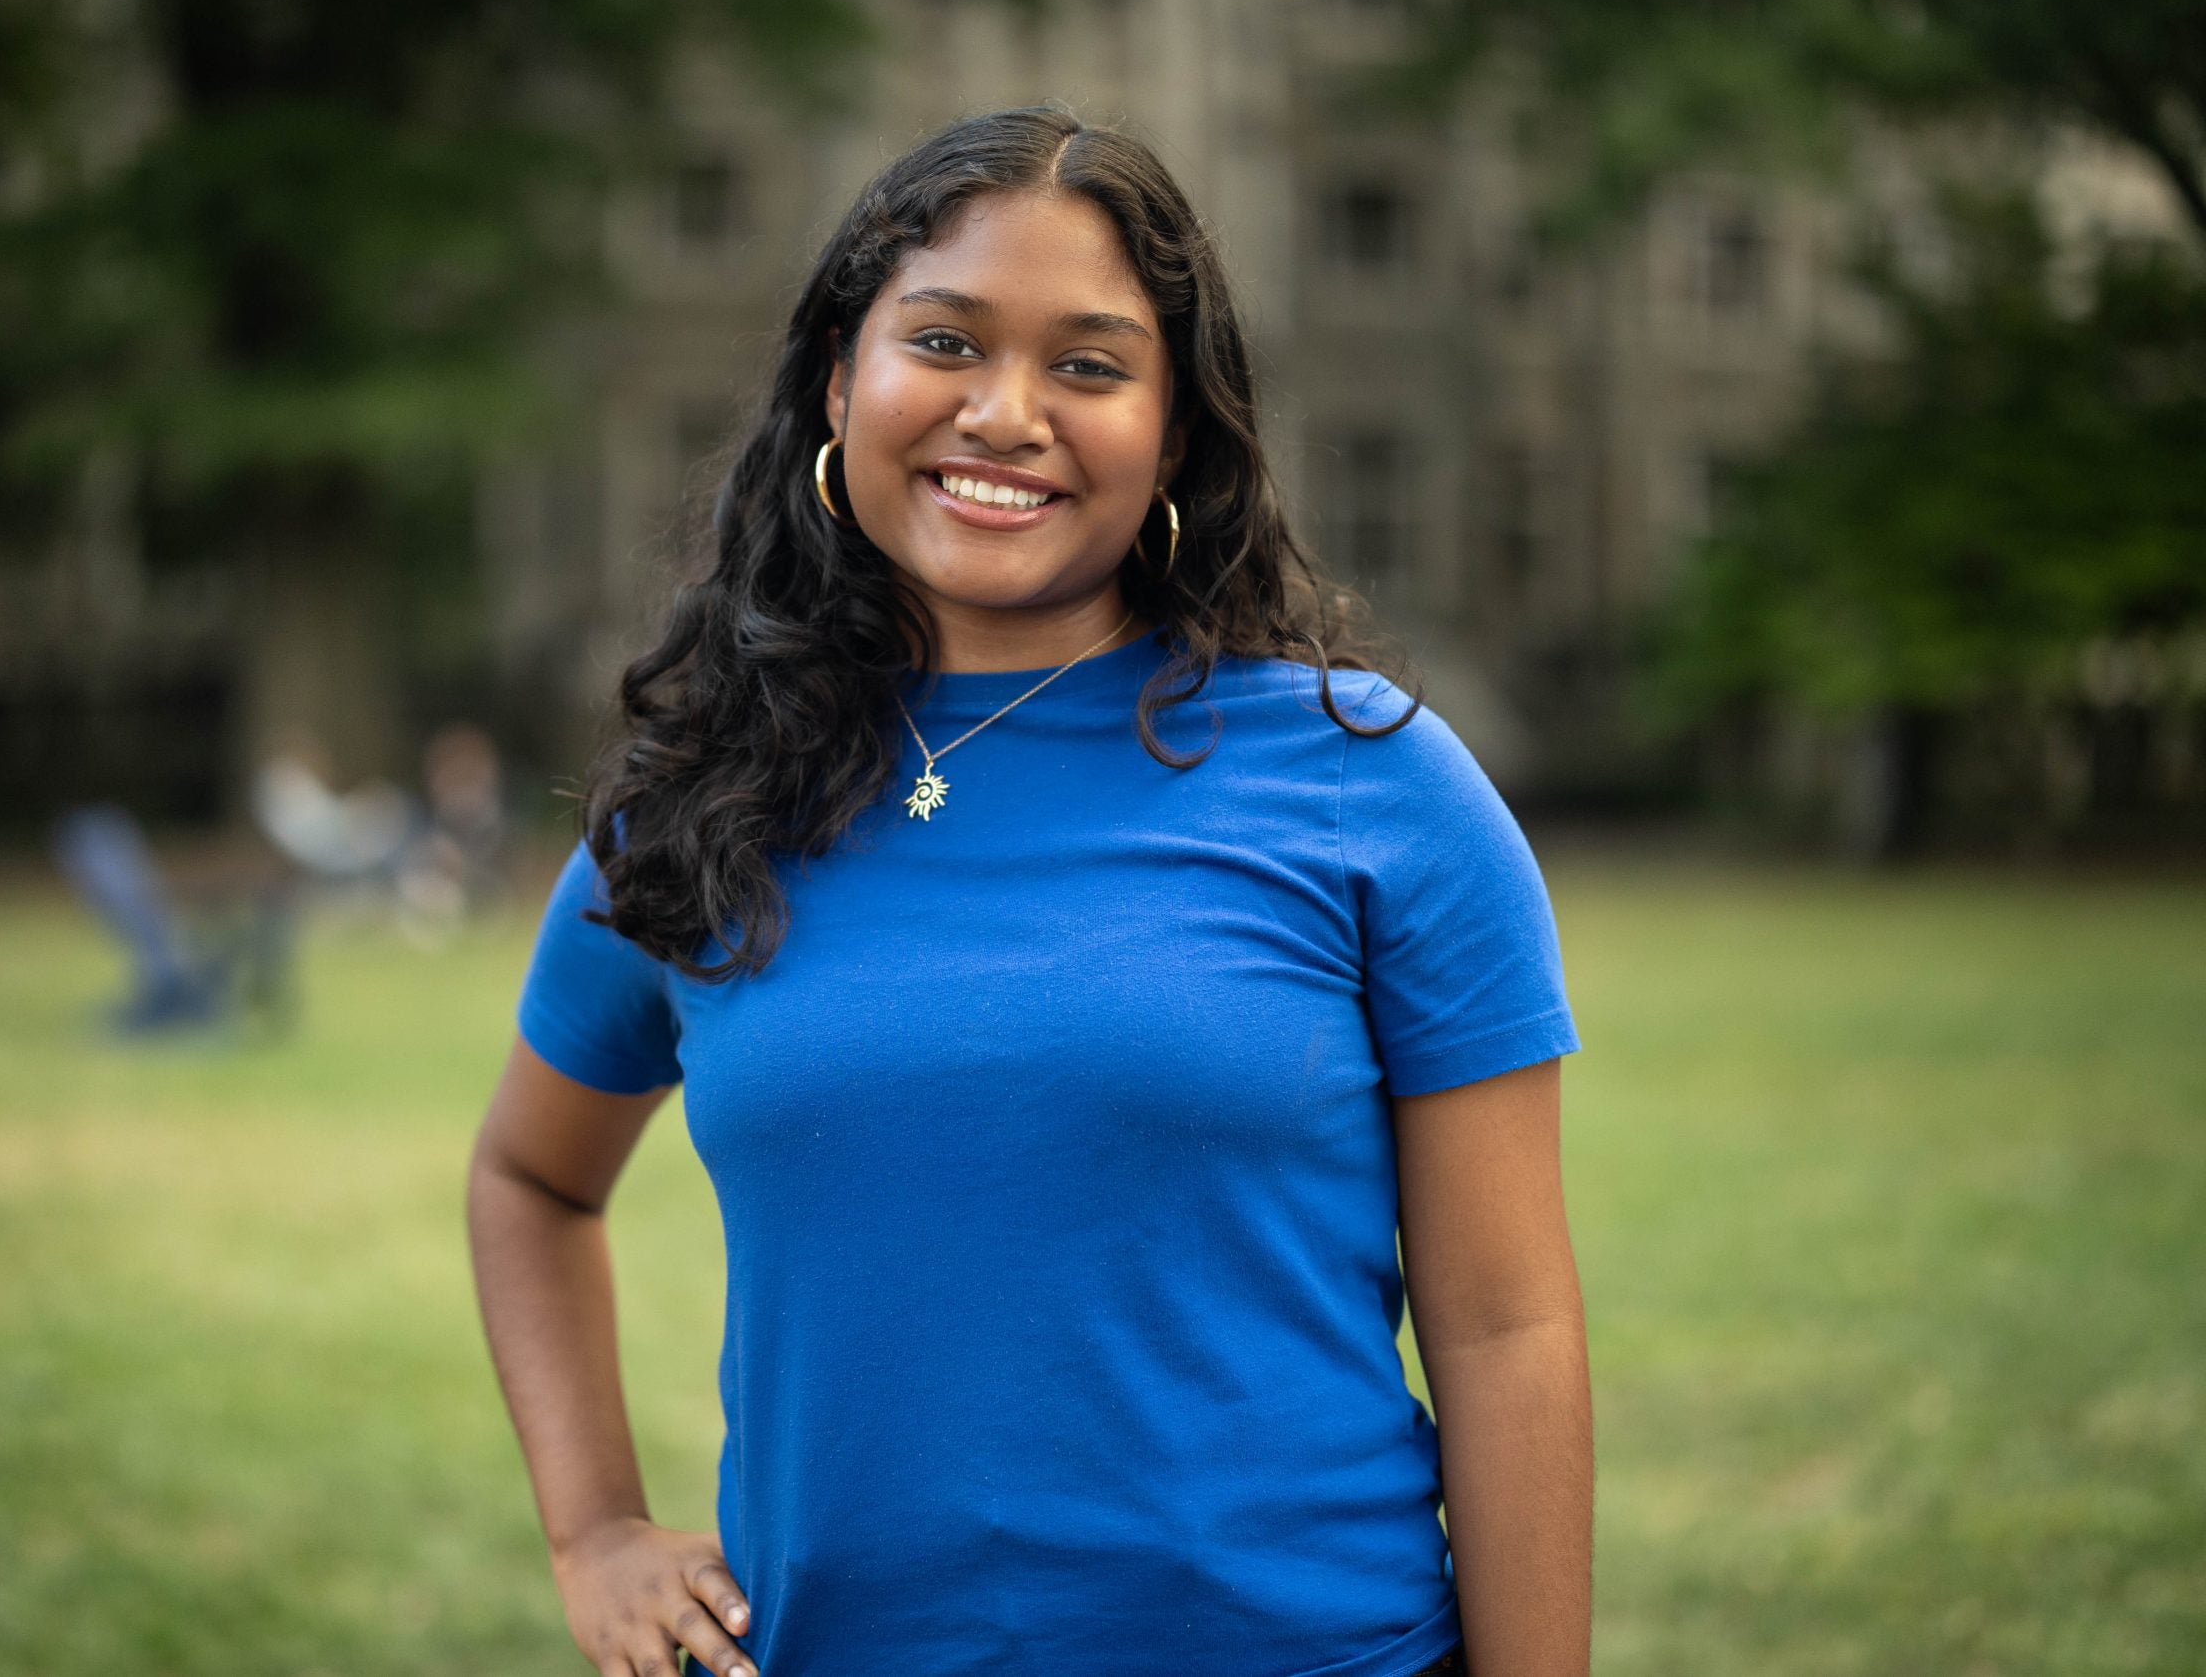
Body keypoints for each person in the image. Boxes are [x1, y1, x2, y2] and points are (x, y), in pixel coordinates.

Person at [466, 107, 1589, 1677]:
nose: (1006, 413)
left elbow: (1506, 1329)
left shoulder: (1374, 788)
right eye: (943, 340)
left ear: (1176, 431)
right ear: (839, 380)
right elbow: (530, 1181)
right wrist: (593, 1532)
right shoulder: (704, 804)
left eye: (1088, 363)